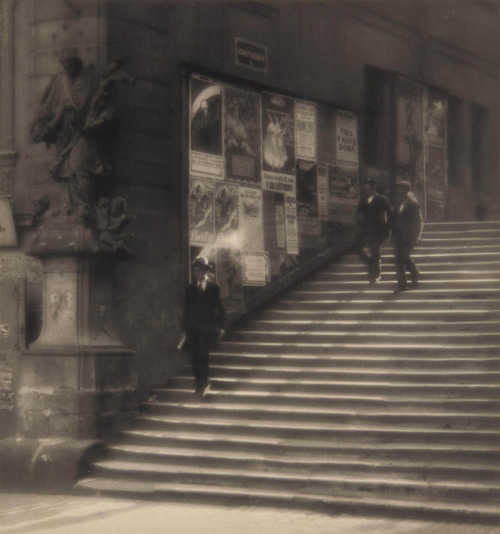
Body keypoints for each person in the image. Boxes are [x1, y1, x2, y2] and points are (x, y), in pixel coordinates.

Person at [30, 47, 114, 219]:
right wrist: (42, 128)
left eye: (71, 64)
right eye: (65, 64)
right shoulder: (60, 83)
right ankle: (69, 207)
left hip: (84, 134)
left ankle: (84, 206)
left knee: (80, 166)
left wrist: (98, 123)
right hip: (64, 136)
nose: (68, 68)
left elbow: (108, 109)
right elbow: (48, 109)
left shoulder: (91, 81)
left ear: (78, 63)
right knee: (67, 171)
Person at [181, 256, 226, 399]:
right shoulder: (190, 289)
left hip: (208, 329)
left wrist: (222, 326)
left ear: (206, 271)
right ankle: (198, 382)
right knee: (195, 357)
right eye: (195, 271)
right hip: (193, 329)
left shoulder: (214, 288)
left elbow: (219, 308)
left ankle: (204, 383)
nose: (197, 274)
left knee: (203, 354)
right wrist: (185, 329)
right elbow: (186, 310)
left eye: (199, 270)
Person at [354, 179, 393, 283]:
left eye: (367, 188)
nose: (365, 190)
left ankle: (375, 275)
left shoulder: (381, 199)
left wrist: (388, 228)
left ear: (372, 188)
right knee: (358, 248)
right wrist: (359, 226)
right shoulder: (362, 201)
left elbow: (390, 214)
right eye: (364, 189)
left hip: (378, 231)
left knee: (375, 251)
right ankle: (371, 264)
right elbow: (359, 215)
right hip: (366, 231)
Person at [392, 180, 423, 292]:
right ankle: (402, 285)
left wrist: (416, 236)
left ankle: (414, 272)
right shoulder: (399, 203)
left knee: (404, 256)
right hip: (398, 237)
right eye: (398, 189)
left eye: (401, 189)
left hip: (408, 236)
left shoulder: (413, 204)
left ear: (406, 190)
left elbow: (418, 222)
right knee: (398, 260)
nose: (399, 191)